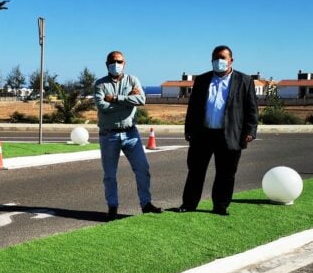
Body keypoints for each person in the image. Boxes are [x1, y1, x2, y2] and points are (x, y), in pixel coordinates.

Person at [173, 45, 259, 216]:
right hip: (203, 134)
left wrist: (250, 131)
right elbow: (193, 108)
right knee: (195, 171)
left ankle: (220, 205)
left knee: (226, 173)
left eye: (222, 57)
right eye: (215, 58)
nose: (218, 61)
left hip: (229, 134)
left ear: (231, 60)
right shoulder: (202, 80)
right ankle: (189, 204)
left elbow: (252, 109)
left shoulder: (244, 80)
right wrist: (188, 129)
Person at [94, 50, 162, 220]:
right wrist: (127, 101)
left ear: (124, 63)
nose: (116, 64)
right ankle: (112, 207)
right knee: (110, 175)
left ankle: (146, 204)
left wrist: (115, 99)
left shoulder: (132, 80)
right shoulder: (100, 84)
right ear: (106, 64)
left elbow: (141, 100)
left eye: (119, 61)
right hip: (108, 135)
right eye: (112, 61)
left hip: (131, 133)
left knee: (142, 168)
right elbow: (103, 107)